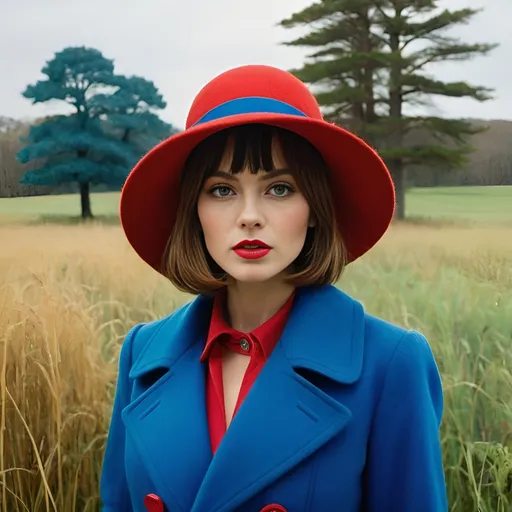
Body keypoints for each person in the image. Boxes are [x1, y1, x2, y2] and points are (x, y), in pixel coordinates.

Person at [100, 65, 448, 512]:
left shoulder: (390, 364)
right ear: (193, 211)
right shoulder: (142, 356)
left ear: (317, 208)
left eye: (279, 189)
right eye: (222, 190)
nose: (249, 216)